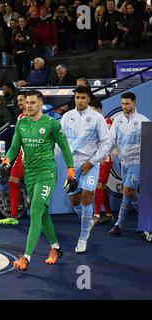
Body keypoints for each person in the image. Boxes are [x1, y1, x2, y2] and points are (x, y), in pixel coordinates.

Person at [2, 90, 75, 272]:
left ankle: (26, 257)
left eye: (33, 102)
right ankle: (56, 248)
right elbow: (14, 147)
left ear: (41, 104)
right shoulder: (22, 123)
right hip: (30, 174)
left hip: (47, 174)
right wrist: (7, 160)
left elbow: (65, 147)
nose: (28, 105)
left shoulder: (51, 124)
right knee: (42, 215)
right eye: (27, 102)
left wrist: (70, 169)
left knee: (35, 210)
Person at [60, 86, 111, 253]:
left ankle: (82, 238)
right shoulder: (67, 117)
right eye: (77, 97)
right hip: (72, 166)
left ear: (89, 99)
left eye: (83, 97)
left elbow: (106, 143)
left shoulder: (97, 118)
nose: (80, 100)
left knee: (88, 196)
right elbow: (59, 142)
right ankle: (87, 220)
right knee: (75, 201)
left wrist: (93, 161)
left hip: (91, 164)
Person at [108, 92, 150, 236]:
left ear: (134, 103)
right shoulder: (118, 120)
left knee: (127, 191)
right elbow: (111, 140)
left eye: (127, 103)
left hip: (137, 162)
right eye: (122, 104)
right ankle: (146, 220)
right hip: (123, 163)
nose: (124, 106)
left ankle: (119, 223)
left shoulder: (144, 121)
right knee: (130, 193)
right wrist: (103, 154)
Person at [0, 92, 28, 226]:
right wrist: (7, 161)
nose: (19, 103)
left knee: (34, 188)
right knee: (12, 182)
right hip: (22, 155)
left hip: (36, 158)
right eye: (18, 100)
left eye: (21, 100)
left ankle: (40, 218)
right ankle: (14, 216)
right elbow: (16, 143)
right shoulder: (20, 117)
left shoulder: (41, 119)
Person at [89, 100, 114, 224]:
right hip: (94, 158)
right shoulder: (89, 122)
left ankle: (97, 215)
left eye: (92, 109)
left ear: (98, 109)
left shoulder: (107, 121)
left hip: (104, 158)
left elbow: (108, 141)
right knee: (102, 187)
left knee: (98, 185)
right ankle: (109, 213)